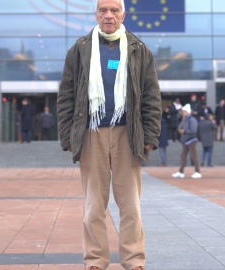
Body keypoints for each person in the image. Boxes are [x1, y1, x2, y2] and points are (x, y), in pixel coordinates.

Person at [56, 0, 162, 269]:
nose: (108, 15)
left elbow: (151, 96)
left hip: (129, 133)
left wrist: (150, 133)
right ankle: (95, 260)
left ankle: (134, 260)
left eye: (114, 10)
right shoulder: (80, 49)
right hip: (91, 133)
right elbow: (66, 96)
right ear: (96, 14)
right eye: (103, 10)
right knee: (93, 206)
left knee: (130, 206)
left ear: (123, 14)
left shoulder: (139, 50)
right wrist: (67, 136)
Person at [172, 104, 201, 179]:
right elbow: (180, 127)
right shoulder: (185, 119)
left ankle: (198, 172)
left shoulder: (192, 119)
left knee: (194, 157)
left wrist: (184, 132)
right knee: (183, 157)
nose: (183, 113)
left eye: (184, 112)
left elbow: (193, 131)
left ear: (187, 112)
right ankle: (181, 172)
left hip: (191, 140)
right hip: (185, 140)